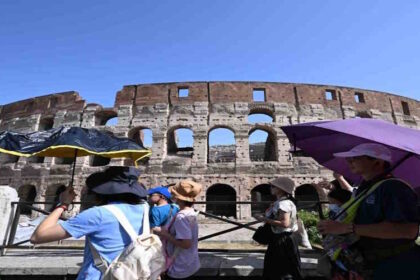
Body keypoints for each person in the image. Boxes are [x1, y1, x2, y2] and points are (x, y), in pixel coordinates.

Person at [317, 143, 420, 279]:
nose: (349, 161)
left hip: (396, 264)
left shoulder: (394, 188)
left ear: (377, 162)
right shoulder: (364, 188)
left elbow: (408, 230)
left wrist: (347, 228)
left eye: (356, 158)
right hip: (369, 263)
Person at [30, 166, 148, 280]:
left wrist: (63, 204)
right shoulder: (145, 209)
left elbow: (38, 236)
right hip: (132, 274)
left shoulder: (97, 214)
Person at [153, 180, 202, 280]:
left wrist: (164, 234)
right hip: (190, 263)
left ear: (177, 197)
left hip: (179, 267)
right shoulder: (190, 212)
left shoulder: (181, 217)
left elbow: (186, 244)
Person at [255, 177, 302, 280]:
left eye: (273, 186)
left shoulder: (283, 203)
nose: (271, 188)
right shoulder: (282, 202)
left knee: (279, 271)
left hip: (282, 241)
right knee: (283, 269)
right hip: (285, 239)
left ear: (281, 189)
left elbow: (285, 223)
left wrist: (263, 219)